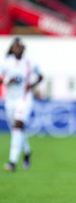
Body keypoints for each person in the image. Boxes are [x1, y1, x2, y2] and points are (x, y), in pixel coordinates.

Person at [0, 37, 43, 172]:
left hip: (24, 99)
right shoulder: (6, 63)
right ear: (12, 48)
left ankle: (12, 162)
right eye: (15, 46)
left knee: (17, 127)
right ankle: (27, 151)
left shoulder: (30, 63)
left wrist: (32, 85)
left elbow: (40, 76)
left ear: (24, 49)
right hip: (10, 100)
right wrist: (7, 80)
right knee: (17, 129)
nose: (18, 48)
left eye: (20, 46)